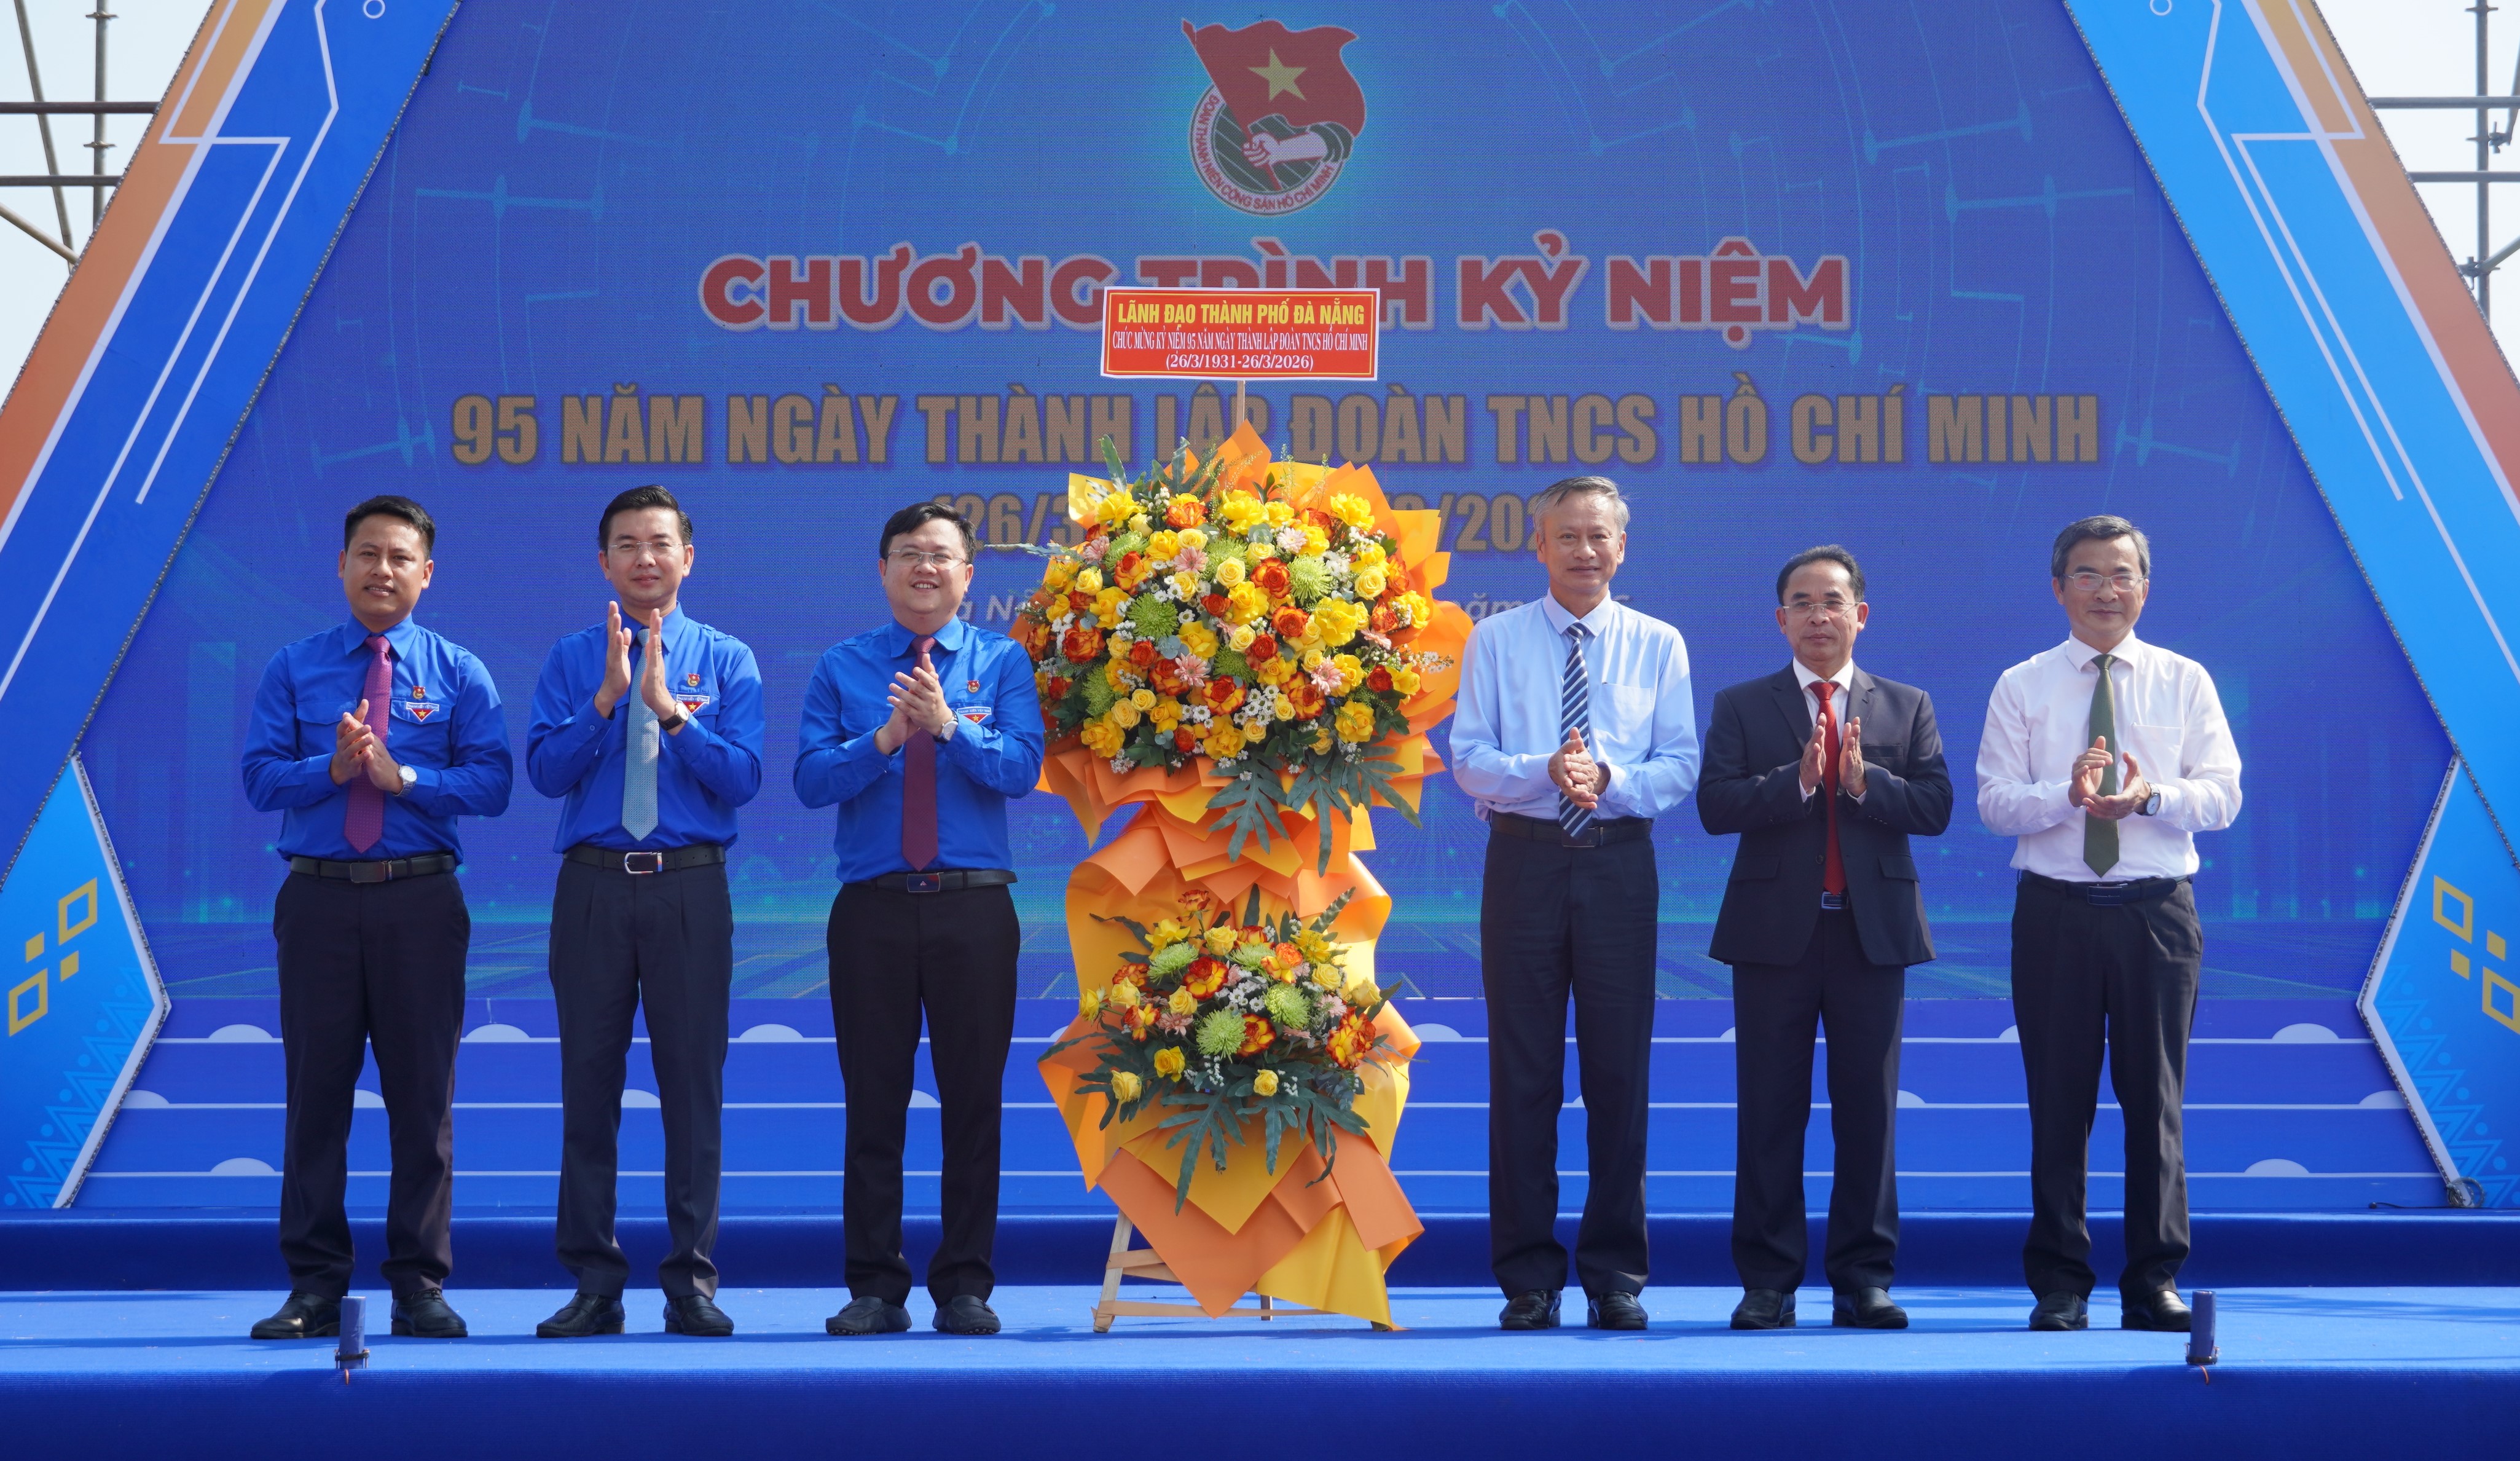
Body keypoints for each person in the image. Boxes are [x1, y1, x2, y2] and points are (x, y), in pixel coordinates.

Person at [238, 496, 512, 1341]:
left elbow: (494, 783)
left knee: (422, 1100)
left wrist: (407, 781)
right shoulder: (294, 667)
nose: (382, 570)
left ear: (426, 573)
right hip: (318, 899)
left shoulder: (459, 671)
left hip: (420, 900)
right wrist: (330, 769)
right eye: (367, 554)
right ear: (342, 565)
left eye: (400, 557)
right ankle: (315, 1286)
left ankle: (419, 1285)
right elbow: (259, 778)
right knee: (315, 1098)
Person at [1977, 515, 2241, 1333]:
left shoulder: (2183, 679)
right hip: (2054, 913)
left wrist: (2150, 796)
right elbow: (1994, 802)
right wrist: (2066, 794)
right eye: (2087, 575)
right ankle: (2061, 1284)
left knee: (2154, 1102)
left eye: (2121, 574)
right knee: (2058, 1102)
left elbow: (2223, 794)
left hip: (2155, 914)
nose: (2105, 590)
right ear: (2059, 588)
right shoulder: (2022, 684)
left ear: (2144, 589)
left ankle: (2153, 1281)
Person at [1451, 475, 1701, 1331]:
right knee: (1522, 1073)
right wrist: (1544, 770)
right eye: (1567, 536)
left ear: (1622, 547)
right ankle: (1528, 1278)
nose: (1584, 550)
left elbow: (1679, 764)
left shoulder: (1658, 642)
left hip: (1618, 867)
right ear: (1539, 546)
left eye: (1599, 536)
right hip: (1522, 863)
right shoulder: (1494, 639)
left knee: (1619, 1075)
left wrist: (1609, 778)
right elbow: (1468, 759)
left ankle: (1615, 1275)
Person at [796, 502, 1043, 1337]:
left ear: (968, 574)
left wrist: (947, 727)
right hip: (872, 910)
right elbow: (811, 780)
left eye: (941, 555)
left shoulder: (1003, 661)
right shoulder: (843, 666)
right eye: (908, 553)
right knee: (874, 1102)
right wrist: (886, 739)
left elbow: (1021, 768)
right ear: (883, 570)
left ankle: (965, 1284)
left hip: (974, 907)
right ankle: (875, 1286)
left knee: (973, 1101)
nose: (924, 567)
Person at [525, 485, 764, 1338]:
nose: (645, 558)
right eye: (626, 544)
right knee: (588, 1088)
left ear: (687, 557)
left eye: (660, 543)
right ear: (604, 562)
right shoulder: (571, 658)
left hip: (688, 887)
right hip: (592, 887)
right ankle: (595, 1282)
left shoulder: (727, 658)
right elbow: (544, 774)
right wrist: (606, 700)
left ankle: (690, 1282)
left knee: (692, 1089)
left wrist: (668, 711)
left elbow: (743, 778)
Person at [1698, 546, 1950, 1331]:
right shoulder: (1744, 704)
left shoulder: (1905, 704)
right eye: (1802, 603)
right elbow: (1715, 805)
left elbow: (1936, 807)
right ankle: (1768, 1282)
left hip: (1872, 936)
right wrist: (1800, 781)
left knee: (1868, 1114)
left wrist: (1866, 783)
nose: (1818, 615)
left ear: (1860, 615)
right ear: (1781, 620)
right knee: (1769, 1112)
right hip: (1774, 937)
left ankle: (1863, 1279)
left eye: (1833, 601)